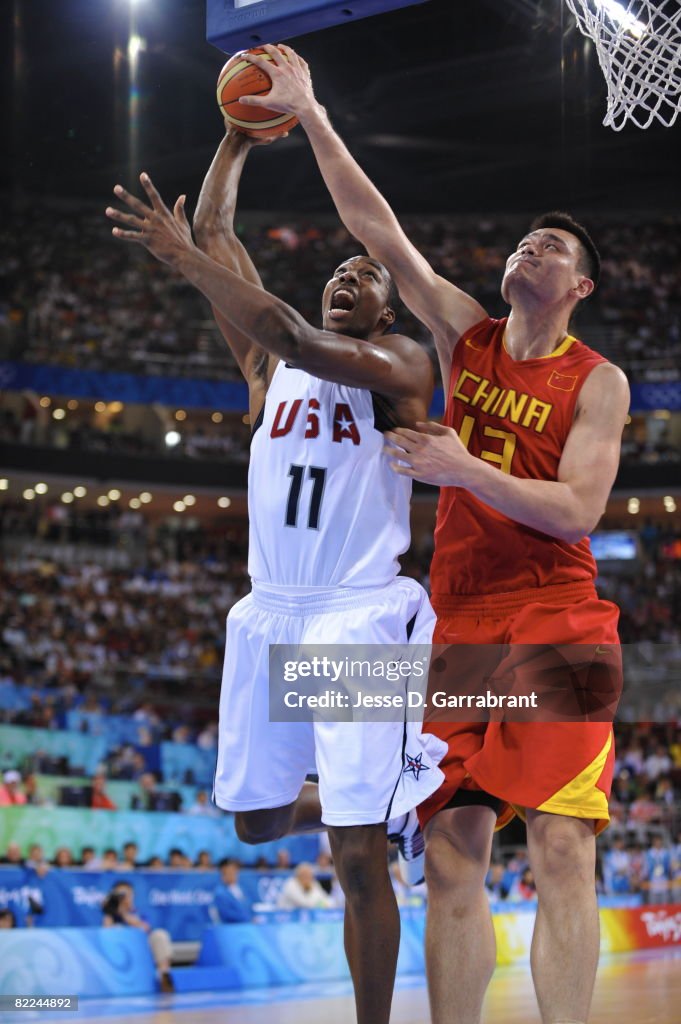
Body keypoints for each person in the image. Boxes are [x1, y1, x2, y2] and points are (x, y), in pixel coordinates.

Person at [236, 46, 631, 1024]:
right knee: (448, 849)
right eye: (524, 244)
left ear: (579, 286)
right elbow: (382, 230)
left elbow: (579, 511)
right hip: (452, 624)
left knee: (562, 842)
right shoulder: (466, 335)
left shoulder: (599, 380)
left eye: (551, 249)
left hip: (557, 613)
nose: (529, 252)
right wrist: (316, 113)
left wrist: (469, 470)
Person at [106, 115, 447, 1024]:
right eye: (337, 268)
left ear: (384, 312)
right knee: (254, 823)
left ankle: (369, 836)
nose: (347, 274)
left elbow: (287, 326)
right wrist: (232, 140)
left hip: (357, 613)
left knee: (355, 859)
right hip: (271, 612)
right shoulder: (266, 372)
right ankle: (365, 800)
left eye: (364, 275)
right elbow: (219, 238)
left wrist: (182, 261)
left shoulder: (400, 367)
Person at [102, 881, 174, 993]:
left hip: (141, 947)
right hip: (121, 951)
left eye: (126, 894)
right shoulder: (111, 915)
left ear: (132, 895)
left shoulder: (140, 913)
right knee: (117, 929)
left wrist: (124, 914)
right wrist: (109, 912)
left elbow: (145, 929)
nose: (123, 898)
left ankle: (164, 975)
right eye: (119, 895)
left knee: (160, 935)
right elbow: (106, 933)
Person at [212, 858, 252, 922]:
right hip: (232, 927)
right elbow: (226, 914)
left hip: (247, 925)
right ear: (223, 876)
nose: (233, 875)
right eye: (229, 873)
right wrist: (246, 919)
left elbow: (249, 905)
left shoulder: (242, 888)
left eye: (234, 872)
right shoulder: (220, 893)